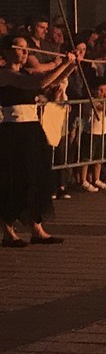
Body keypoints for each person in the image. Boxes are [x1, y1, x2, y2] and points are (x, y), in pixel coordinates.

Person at [1, 34, 81, 245]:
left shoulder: (26, 71)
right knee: (16, 179)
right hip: (13, 132)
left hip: (31, 129)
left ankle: (36, 227)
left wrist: (72, 65)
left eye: (26, 48)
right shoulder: (5, 75)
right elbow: (38, 82)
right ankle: (7, 230)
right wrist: (63, 62)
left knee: (37, 177)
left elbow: (50, 81)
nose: (25, 52)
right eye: (19, 48)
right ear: (7, 51)